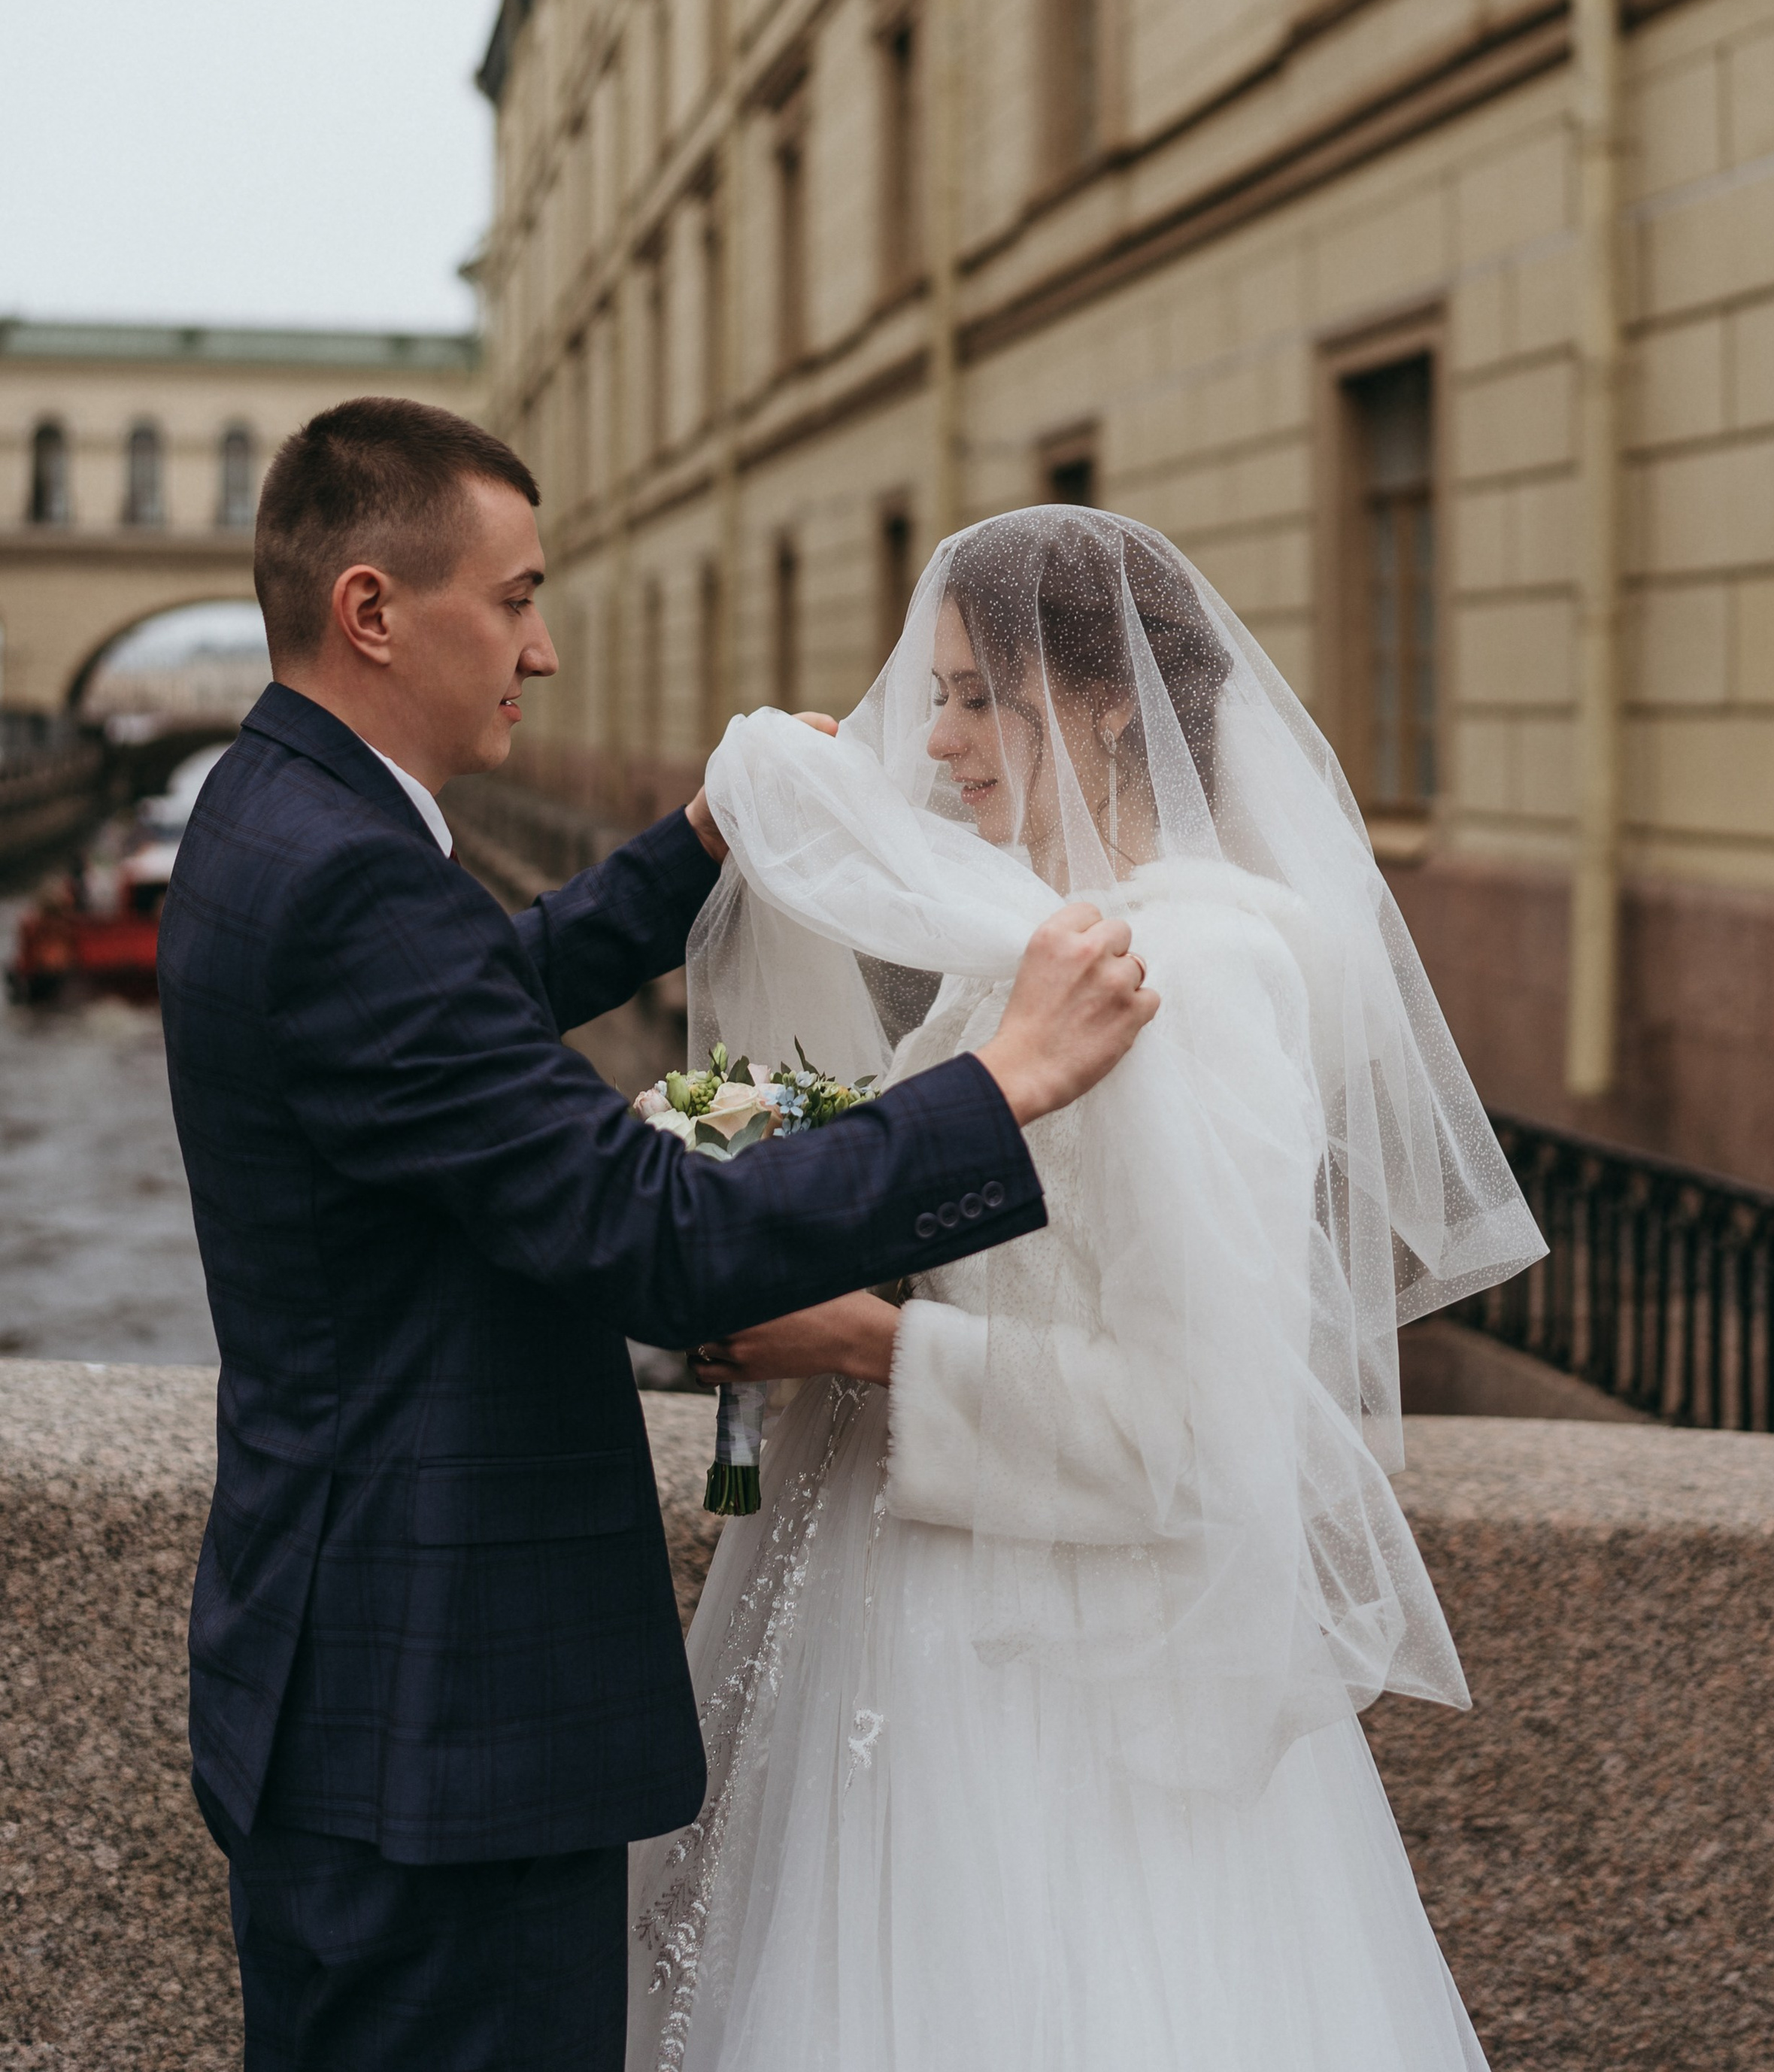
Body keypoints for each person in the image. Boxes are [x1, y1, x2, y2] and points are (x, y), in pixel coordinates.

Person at [157, 403, 1155, 2072]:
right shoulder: (350, 881)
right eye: (518, 598)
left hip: (359, 1679)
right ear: (373, 612)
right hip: (435, 1729)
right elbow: (656, 1240)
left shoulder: (279, 813)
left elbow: (470, 1008)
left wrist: (693, 844)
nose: (543, 653)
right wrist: (1003, 1084)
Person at [628, 505, 1547, 2072]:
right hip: (912, 1631)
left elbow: (1198, 1428)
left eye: (980, 695)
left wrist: (870, 1345)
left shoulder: (1186, 979)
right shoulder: (1030, 952)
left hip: (1041, 1687)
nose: (936, 738)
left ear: (1109, 700)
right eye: (939, 693)